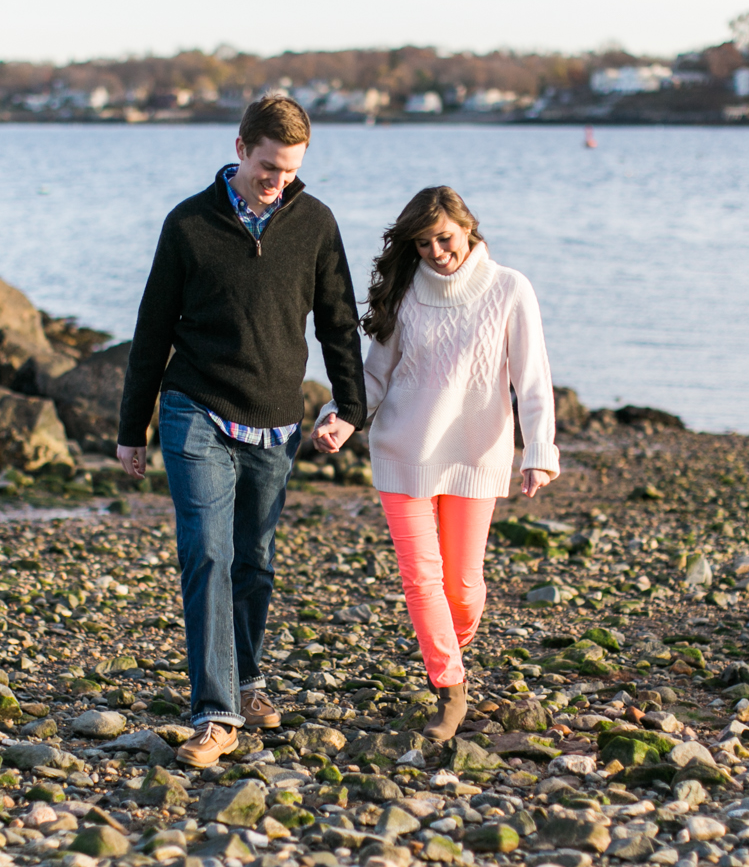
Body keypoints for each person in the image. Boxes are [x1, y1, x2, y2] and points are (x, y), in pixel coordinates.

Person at [116, 96, 366, 768]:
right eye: (267, 168)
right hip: (193, 408)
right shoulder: (189, 224)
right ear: (239, 148)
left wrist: (351, 406)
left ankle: (248, 680)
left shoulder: (314, 223)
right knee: (207, 554)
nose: (276, 182)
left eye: (288, 171)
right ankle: (216, 713)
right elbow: (153, 330)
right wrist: (131, 428)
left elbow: (339, 323)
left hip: (277, 422)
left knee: (254, 562)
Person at [313, 186, 558, 740]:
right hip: (404, 452)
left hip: (475, 455)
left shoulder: (509, 289)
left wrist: (539, 452)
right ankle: (450, 688)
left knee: (464, 589)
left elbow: (533, 380)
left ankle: (447, 643)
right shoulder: (404, 293)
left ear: (467, 227)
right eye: (422, 243)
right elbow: (374, 375)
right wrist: (341, 416)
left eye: (442, 238)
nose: (434, 251)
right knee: (421, 580)